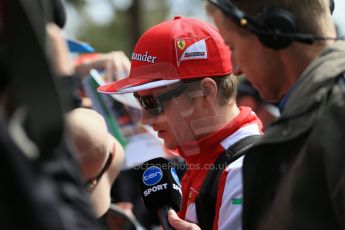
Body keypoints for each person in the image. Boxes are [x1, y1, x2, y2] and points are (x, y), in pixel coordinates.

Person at [98, 16, 263, 230]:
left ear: (205, 92)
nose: (145, 118)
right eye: (139, 100)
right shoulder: (196, 157)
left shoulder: (242, 172)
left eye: (152, 102)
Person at [205, 0, 345, 229]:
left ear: (273, 31)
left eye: (232, 46)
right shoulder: (315, 110)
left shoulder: (337, 112)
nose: (235, 68)